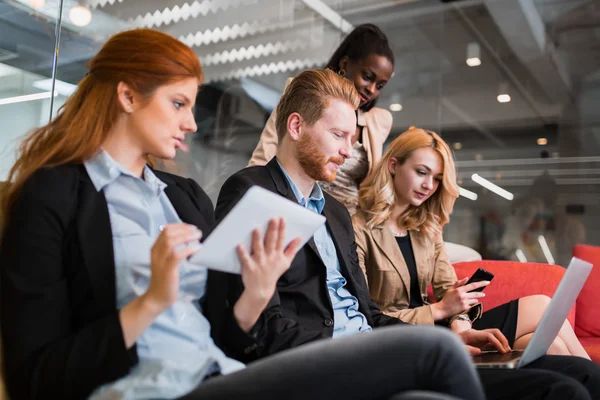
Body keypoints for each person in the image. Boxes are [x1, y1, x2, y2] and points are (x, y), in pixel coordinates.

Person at [0, 29, 478, 400]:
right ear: (127, 96)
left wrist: (256, 293)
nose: (191, 122)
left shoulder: (183, 197)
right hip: (157, 387)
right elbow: (34, 379)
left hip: (220, 374)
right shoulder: (52, 196)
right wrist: (149, 304)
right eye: (178, 103)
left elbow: (229, 336)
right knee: (435, 351)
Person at [214, 68, 600, 400]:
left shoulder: (334, 213)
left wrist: (445, 337)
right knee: (560, 391)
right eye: (338, 135)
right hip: (336, 359)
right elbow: (259, 324)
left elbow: (371, 316)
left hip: (375, 347)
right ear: (296, 126)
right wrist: (384, 347)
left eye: (352, 139)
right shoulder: (254, 193)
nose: (349, 152)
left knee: (581, 376)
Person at [353, 127, 590, 360]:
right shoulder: (357, 229)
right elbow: (364, 315)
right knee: (541, 305)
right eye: (421, 172)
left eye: (436, 179)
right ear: (394, 165)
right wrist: (441, 310)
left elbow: (448, 289)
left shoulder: (427, 228)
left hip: (443, 328)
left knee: (554, 347)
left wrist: (460, 323)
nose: (429, 186)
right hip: (403, 334)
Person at [248, 24, 395, 215]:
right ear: (344, 64)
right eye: (367, 77)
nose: (372, 90)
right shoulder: (302, 93)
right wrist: (252, 201)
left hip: (349, 225)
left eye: (380, 85)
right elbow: (266, 153)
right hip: (297, 208)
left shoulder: (379, 122)